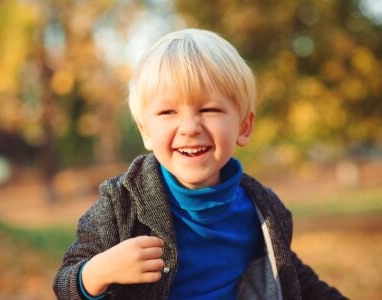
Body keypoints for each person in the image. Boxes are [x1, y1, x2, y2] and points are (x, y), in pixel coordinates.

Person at [53, 28, 347, 300]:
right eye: (168, 112)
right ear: (146, 131)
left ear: (244, 127)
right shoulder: (121, 203)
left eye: (209, 109)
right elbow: (65, 283)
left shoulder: (262, 210)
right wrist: (97, 272)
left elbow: (293, 277)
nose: (190, 127)